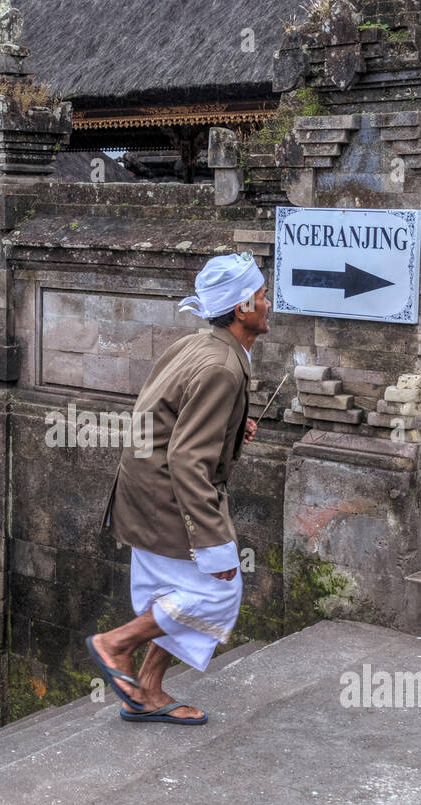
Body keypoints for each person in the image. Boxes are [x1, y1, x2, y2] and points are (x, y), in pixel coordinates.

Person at [90, 252, 269, 723]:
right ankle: (116, 644)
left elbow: (167, 415)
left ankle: (147, 691)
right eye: (263, 295)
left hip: (144, 488)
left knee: (172, 595)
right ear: (243, 308)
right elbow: (189, 459)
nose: (270, 304)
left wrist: (232, 427)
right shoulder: (222, 368)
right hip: (166, 497)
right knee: (217, 591)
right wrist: (213, 541)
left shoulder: (201, 345)